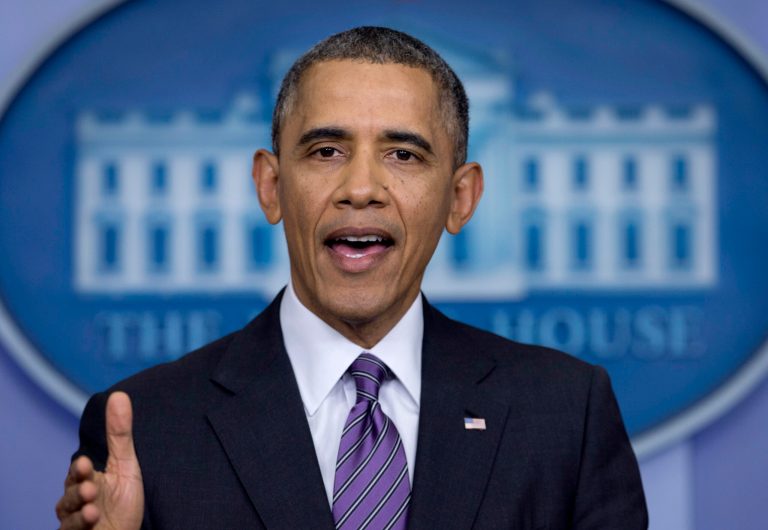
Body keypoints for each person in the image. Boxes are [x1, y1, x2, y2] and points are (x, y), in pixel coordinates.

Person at [56, 26, 648, 529]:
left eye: (404, 155)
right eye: (326, 151)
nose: (360, 189)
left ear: (460, 198)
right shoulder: (146, 427)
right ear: (271, 186)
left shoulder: (567, 414)